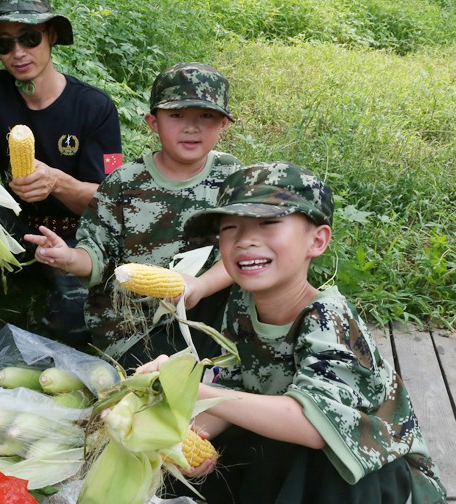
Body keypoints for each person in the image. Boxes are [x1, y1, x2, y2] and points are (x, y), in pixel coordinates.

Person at [139, 162, 447, 503]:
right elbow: (231, 384)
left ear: (317, 241)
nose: (245, 241)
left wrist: (190, 389)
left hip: (376, 477)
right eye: (230, 227)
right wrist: (188, 433)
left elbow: (314, 426)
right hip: (290, 445)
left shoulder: (329, 319)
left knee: (318, 457)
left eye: (269, 223)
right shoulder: (241, 305)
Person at [0, 0, 123, 384]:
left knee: (75, 322)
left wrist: (57, 182)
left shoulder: (95, 107)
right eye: (5, 44)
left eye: (29, 38)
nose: (18, 53)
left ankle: (51, 322)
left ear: (50, 36)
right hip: (16, 223)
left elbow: (109, 202)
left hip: (76, 234)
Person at [25, 62, 242, 368]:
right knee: (155, 379)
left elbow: (243, 251)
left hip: (205, 307)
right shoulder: (125, 183)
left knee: (230, 357)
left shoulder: (232, 177)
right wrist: (68, 258)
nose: (191, 128)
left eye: (205, 116)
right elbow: (96, 251)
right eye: (177, 116)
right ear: (153, 122)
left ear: (223, 125)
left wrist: (201, 286)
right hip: (134, 324)